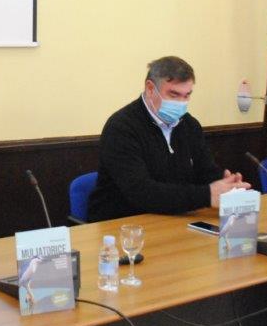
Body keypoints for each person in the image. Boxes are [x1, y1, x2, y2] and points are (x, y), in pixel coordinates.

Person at [87, 56, 250, 222]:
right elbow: (141, 192)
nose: (181, 103)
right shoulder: (121, 127)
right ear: (150, 88)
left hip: (173, 217)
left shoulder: (190, 125)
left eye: (187, 95)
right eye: (174, 94)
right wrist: (207, 195)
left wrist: (226, 185)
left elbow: (205, 171)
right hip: (122, 223)